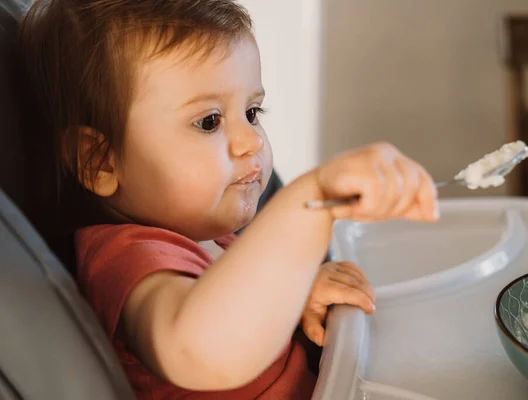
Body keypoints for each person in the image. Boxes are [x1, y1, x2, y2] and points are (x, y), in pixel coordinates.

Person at [19, 0, 439, 398]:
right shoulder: (128, 260)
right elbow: (200, 349)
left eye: (253, 112)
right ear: (100, 161)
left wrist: (294, 296)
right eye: (208, 121)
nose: (250, 140)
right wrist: (305, 204)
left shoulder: (211, 236)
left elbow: (241, 307)